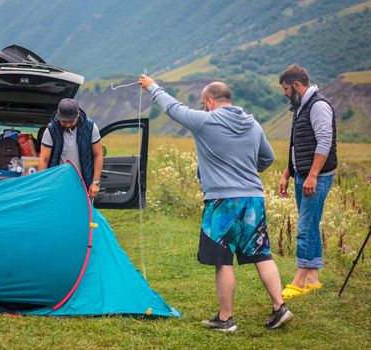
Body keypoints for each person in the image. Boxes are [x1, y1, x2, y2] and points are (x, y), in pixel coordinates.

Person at [138, 76, 293, 333]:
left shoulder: (206, 121)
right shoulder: (253, 124)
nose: (202, 107)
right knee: (261, 254)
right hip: (253, 197)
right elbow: (268, 158)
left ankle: (225, 318)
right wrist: (245, 172)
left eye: (202, 103)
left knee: (223, 260)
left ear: (209, 102)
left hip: (223, 201)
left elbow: (172, 108)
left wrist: (151, 86)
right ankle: (280, 307)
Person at [277, 64, 336, 299]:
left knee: (304, 227)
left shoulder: (318, 106)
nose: (285, 93)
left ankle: (299, 281)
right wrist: (286, 173)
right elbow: (296, 145)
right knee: (310, 224)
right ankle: (312, 278)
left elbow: (324, 141)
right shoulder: (301, 107)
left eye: (286, 89)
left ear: (297, 85)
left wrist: (312, 175)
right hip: (302, 174)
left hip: (316, 177)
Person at [39, 98, 103, 197]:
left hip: (83, 184)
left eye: (71, 121)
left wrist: (95, 182)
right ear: (58, 116)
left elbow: (98, 155)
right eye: (64, 121)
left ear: (77, 114)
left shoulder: (90, 127)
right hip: (57, 184)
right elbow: (44, 159)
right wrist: (43, 184)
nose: (68, 124)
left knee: (81, 212)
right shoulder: (51, 130)